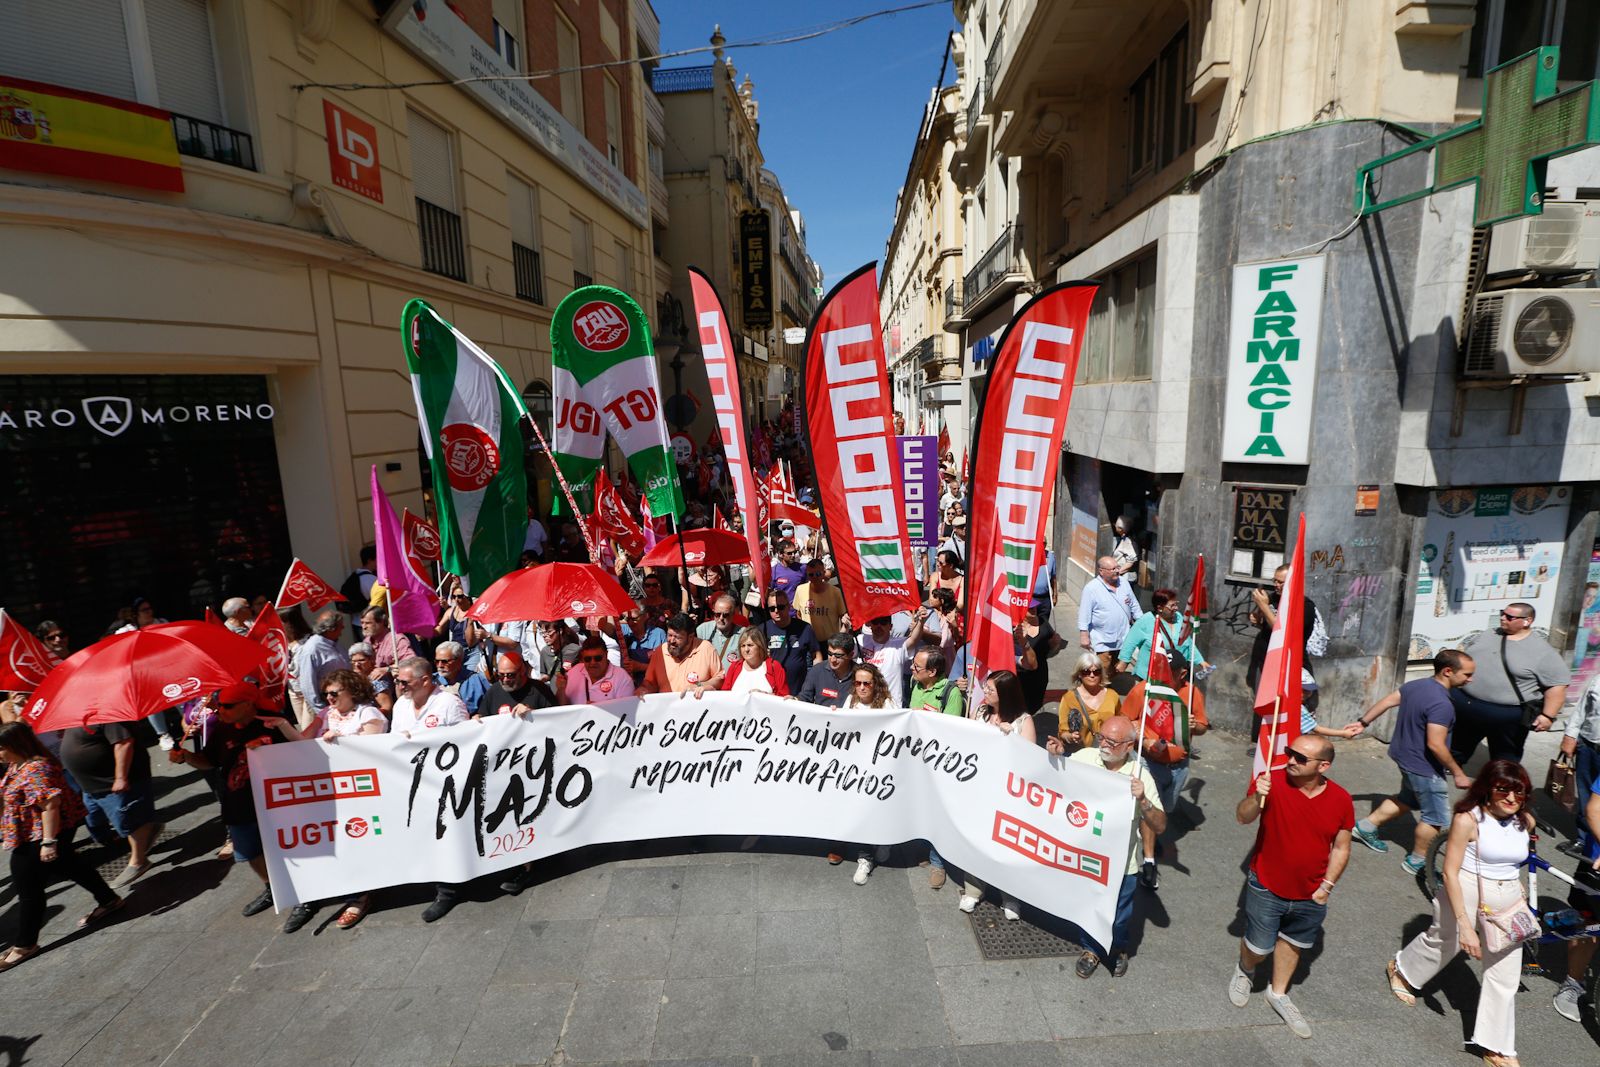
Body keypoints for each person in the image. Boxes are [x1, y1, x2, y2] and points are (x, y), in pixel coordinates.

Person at [1386, 761, 1534, 1067]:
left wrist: (1516, 886)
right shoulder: (1469, 819)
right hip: (1465, 888)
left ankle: (1495, 1046)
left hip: (1505, 898)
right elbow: (1450, 873)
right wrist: (1467, 927)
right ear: (1488, 789)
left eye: (1518, 791)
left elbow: (1513, 861)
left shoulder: (1525, 821)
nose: (1510, 798)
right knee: (1446, 940)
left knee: (1505, 973)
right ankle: (1403, 970)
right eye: (1503, 789)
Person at [1229, 734, 1353, 1038]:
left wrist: (1327, 887)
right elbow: (1242, 818)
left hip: (1312, 892)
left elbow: (1341, 847)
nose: (1291, 761)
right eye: (1289, 753)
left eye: (1300, 758)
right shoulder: (1270, 780)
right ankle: (1245, 969)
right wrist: (1257, 796)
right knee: (1259, 947)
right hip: (1266, 884)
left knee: (1293, 944)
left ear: (1324, 766)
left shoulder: (1341, 799)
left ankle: (1279, 993)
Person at [170, 682, 303, 917]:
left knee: (286, 851)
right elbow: (210, 761)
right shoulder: (222, 729)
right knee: (249, 852)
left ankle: (302, 895)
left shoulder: (272, 722)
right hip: (237, 802)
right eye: (219, 705)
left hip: (274, 803)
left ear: (248, 704)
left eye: (228, 706)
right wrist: (187, 757)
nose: (220, 710)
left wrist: (266, 748)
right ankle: (271, 888)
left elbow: (300, 754)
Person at [0, 722, 124, 971]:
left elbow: (51, 806)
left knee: (29, 891)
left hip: (37, 837)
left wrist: (48, 842)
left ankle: (25, 945)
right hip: (35, 833)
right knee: (71, 865)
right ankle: (109, 900)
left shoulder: (35, 768)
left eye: (1, 748)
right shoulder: (18, 765)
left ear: (15, 745)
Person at [281, 669, 389, 933]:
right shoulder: (325, 715)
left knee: (360, 838)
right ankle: (352, 891)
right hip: (334, 791)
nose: (328, 698)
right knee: (340, 839)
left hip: (365, 791)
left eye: (334, 693)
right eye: (325, 694)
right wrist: (281, 726)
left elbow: (373, 748)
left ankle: (361, 896)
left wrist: (341, 741)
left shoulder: (368, 714)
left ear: (352, 690)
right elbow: (304, 740)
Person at [1349, 650, 1476, 874]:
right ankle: (1417, 861)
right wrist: (1457, 772)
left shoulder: (1416, 685)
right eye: (1467, 674)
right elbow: (1436, 744)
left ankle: (1365, 827)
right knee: (1434, 817)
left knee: (1408, 798)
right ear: (1448, 672)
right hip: (1424, 767)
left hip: (1404, 756)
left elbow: (1388, 701)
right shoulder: (1442, 705)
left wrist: (1363, 722)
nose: (1470, 679)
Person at [1065, 715, 1166, 976]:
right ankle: (1092, 949)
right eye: (1102, 738)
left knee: (1119, 914)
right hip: (1086, 855)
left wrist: (1143, 800)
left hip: (1122, 864)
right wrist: (1054, 754)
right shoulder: (1086, 757)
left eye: (1111, 741)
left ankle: (1118, 947)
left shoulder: (1140, 776)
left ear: (1129, 746)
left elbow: (1160, 825)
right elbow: (1056, 778)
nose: (1104, 745)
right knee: (1090, 907)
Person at [1123, 658, 1209, 889]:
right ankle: (1149, 862)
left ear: (1181, 673)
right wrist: (1143, 736)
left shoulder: (1192, 693)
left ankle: (1148, 832)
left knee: (1167, 808)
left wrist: (1194, 727)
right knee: (1151, 807)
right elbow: (1126, 719)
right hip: (1150, 762)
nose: (1160, 673)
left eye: (1166, 670)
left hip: (1179, 767)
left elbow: (1202, 726)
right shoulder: (1144, 689)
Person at [1453, 602, 1569, 765]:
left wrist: (1547, 716)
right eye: (1502, 613)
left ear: (1527, 621)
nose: (1502, 618)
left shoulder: (1542, 652)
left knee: (1505, 757)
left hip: (1507, 715)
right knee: (1457, 744)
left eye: (1509, 616)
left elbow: (1557, 686)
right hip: (1467, 703)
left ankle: (1502, 784)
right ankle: (1450, 767)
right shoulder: (1488, 634)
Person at [58, 717, 162, 889]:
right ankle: (147, 829)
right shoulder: (76, 714)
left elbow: (124, 742)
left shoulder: (109, 715)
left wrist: (121, 777)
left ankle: (138, 861)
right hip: (90, 786)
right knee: (94, 820)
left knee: (128, 821)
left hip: (113, 783)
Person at [1248, 565, 1327, 719]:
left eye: (1281, 582)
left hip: (1292, 665)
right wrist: (1256, 619)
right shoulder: (1273, 598)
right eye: (1274, 581)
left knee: (1292, 713)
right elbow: (1265, 623)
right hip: (1269, 662)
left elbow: (1284, 633)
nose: (1276, 585)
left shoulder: (1304, 606)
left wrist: (1264, 606)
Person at [1117, 588, 1208, 680]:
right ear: (1160, 608)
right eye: (1172, 606)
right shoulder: (1145, 621)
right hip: (1150, 675)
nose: (1176, 608)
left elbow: (1187, 642)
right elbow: (1130, 642)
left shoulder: (1179, 618)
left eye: (1176, 604)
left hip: (1175, 674)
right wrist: (1124, 661)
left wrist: (1201, 661)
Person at [1078, 556, 1143, 674]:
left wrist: (1142, 622)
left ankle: (1106, 687)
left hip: (1123, 637)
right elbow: (1084, 613)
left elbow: (1134, 605)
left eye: (1117, 567)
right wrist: (1084, 635)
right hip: (1103, 640)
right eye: (1112, 569)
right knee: (1102, 669)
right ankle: (1099, 689)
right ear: (1101, 571)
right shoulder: (1091, 588)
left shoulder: (1124, 583)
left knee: (1117, 668)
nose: (1117, 571)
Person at [639, 614, 725, 695]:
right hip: (667, 708)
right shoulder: (660, 651)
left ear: (690, 637)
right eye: (669, 635)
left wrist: (700, 685)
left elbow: (720, 679)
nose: (672, 641)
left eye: (677, 637)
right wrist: (643, 690)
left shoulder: (706, 648)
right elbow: (650, 683)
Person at [1053, 653, 1120, 753]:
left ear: (1101, 673)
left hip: (1109, 752)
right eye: (1086, 672)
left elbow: (1121, 723)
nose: (1092, 675)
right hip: (1081, 754)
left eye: (1096, 672)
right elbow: (1063, 732)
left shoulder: (1112, 696)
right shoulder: (1069, 698)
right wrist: (1071, 737)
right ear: (1079, 674)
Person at [391, 656, 471, 736]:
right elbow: (393, 738)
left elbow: (463, 739)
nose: (400, 687)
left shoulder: (450, 703)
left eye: (405, 682)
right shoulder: (400, 704)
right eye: (398, 681)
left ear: (425, 680)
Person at [295, 609, 351, 721]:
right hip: (325, 706)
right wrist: (321, 711)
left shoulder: (334, 644)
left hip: (342, 702)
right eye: (340, 625)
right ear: (331, 629)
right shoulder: (311, 649)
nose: (343, 628)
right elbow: (307, 684)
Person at [762, 591, 820, 695]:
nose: (776, 611)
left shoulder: (804, 628)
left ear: (789, 606)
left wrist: (814, 679)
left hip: (799, 691)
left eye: (780, 607)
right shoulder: (762, 630)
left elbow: (816, 656)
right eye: (772, 608)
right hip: (772, 692)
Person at [712, 626, 789, 697]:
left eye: (750, 645)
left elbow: (784, 698)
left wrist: (765, 696)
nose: (746, 650)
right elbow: (725, 696)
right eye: (743, 646)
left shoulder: (774, 666)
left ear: (760, 646)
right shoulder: (735, 667)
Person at [1016, 595, 1061, 713]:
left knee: (1036, 703)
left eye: (1035, 607)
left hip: (1040, 673)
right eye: (1030, 608)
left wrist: (1054, 643)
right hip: (1021, 675)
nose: (1034, 609)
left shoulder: (1043, 623)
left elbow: (1050, 649)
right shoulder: (1015, 629)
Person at [563, 636, 636, 704]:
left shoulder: (622, 678)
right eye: (587, 659)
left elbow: (626, 711)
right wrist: (561, 690)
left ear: (606, 655)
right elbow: (563, 706)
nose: (592, 663)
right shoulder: (574, 672)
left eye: (598, 658)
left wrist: (598, 710)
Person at [485, 652, 560, 718]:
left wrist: (532, 714)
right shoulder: (493, 691)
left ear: (522, 670)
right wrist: (477, 719)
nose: (505, 679)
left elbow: (553, 718)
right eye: (500, 675)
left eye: (510, 675)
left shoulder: (540, 690)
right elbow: (483, 717)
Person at [792, 558, 847, 642]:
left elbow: (843, 616)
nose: (815, 577)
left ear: (824, 573)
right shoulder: (800, 590)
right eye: (811, 575)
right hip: (809, 642)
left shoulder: (835, 592)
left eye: (818, 574)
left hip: (830, 641)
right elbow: (799, 614)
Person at [799, 634, 858, 708]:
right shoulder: (817, 671)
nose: (833, 660)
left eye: (838, 655)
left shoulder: (860, 674)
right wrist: (793, 700)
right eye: (830, 654)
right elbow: (804, 699)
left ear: (851, 655)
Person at [434, 640, 488, 715]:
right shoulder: (430, 681)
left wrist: (480, 715)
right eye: (437, 661)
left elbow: (491, 705)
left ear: (459, 661)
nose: (440, 665)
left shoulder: (477, 681)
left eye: (444, 661)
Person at [695, 594, 744, 671]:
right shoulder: (702, 630)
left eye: (725, 615)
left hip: (731, 681)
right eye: (717, 614)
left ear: (733, 615)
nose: (721, 618)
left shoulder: (743, 634)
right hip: (709, 680)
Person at [362, 606, 417, 674]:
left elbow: (411, 663)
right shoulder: (366, 641)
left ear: (381, 622)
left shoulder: (396, 640)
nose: (364, 627)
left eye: (368, 623)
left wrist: (387, 670)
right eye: (362, 623)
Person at [909, 648, 963, 716]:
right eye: (913, 663)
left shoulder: (951, 692)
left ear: (932, 672)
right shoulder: (914, 682)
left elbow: (950, 725)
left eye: (917, 666)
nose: (911, 667)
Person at [347, 642, 393, 714]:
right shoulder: (354, 678)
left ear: (372, 659)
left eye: (361, 660)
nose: (357, 664)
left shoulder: (377, 680)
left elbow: (386, 707)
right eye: (353, 661)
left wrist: (366, 715)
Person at [1111, 517, 1140, 585]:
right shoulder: (1122, 538)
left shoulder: (1129, 542)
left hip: (1124, 578)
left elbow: (1130, 562)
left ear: (1121, 529)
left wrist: (1116, 573)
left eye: (1116, 525)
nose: (1114, 526)